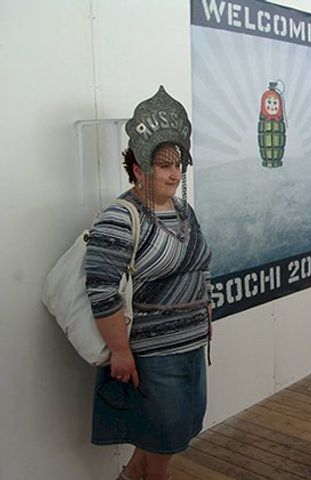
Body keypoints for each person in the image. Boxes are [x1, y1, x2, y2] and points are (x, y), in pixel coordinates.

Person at [85, 86, 213, 480]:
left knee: (164, 440)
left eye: (178, 164)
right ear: (139, 168)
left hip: (191, 344)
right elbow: (102, 290)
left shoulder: (184, 210)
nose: (175, 174)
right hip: (154, 354)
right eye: (164, 165)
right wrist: (120, 351)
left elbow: (200, 267)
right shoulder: (120, 217)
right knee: (162, 443)